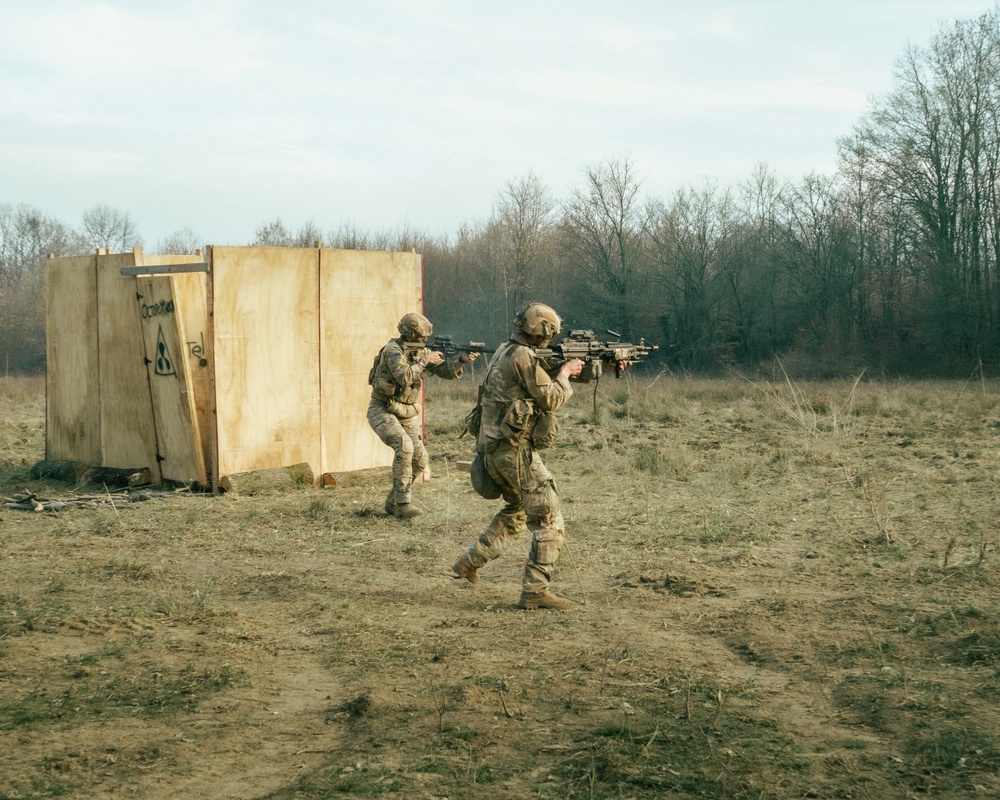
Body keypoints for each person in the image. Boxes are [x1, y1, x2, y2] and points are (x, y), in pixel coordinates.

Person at [448, 302, 589, 610]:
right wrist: (566, 373)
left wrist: (580, 368)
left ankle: (469, 562)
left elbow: (537, 377)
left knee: (518, 510)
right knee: (549, 518)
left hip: (493, 450)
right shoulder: (524, 356)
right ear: (544, 331)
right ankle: (535, 591)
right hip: (514, 452)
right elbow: (550, 398)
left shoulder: (507, 349)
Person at [368, 312, 479, 519]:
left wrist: (461, 360)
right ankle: (403, 504)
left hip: (405, 410)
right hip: (382, 408)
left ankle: (393, 501)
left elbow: (445, 372)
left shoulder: (420, 351)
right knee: (404, 446)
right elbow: (404, 377)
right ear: (409, 334)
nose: (425, 339)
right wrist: (424, 361)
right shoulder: (392, 350)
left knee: (420, 459)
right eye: (421, 336)